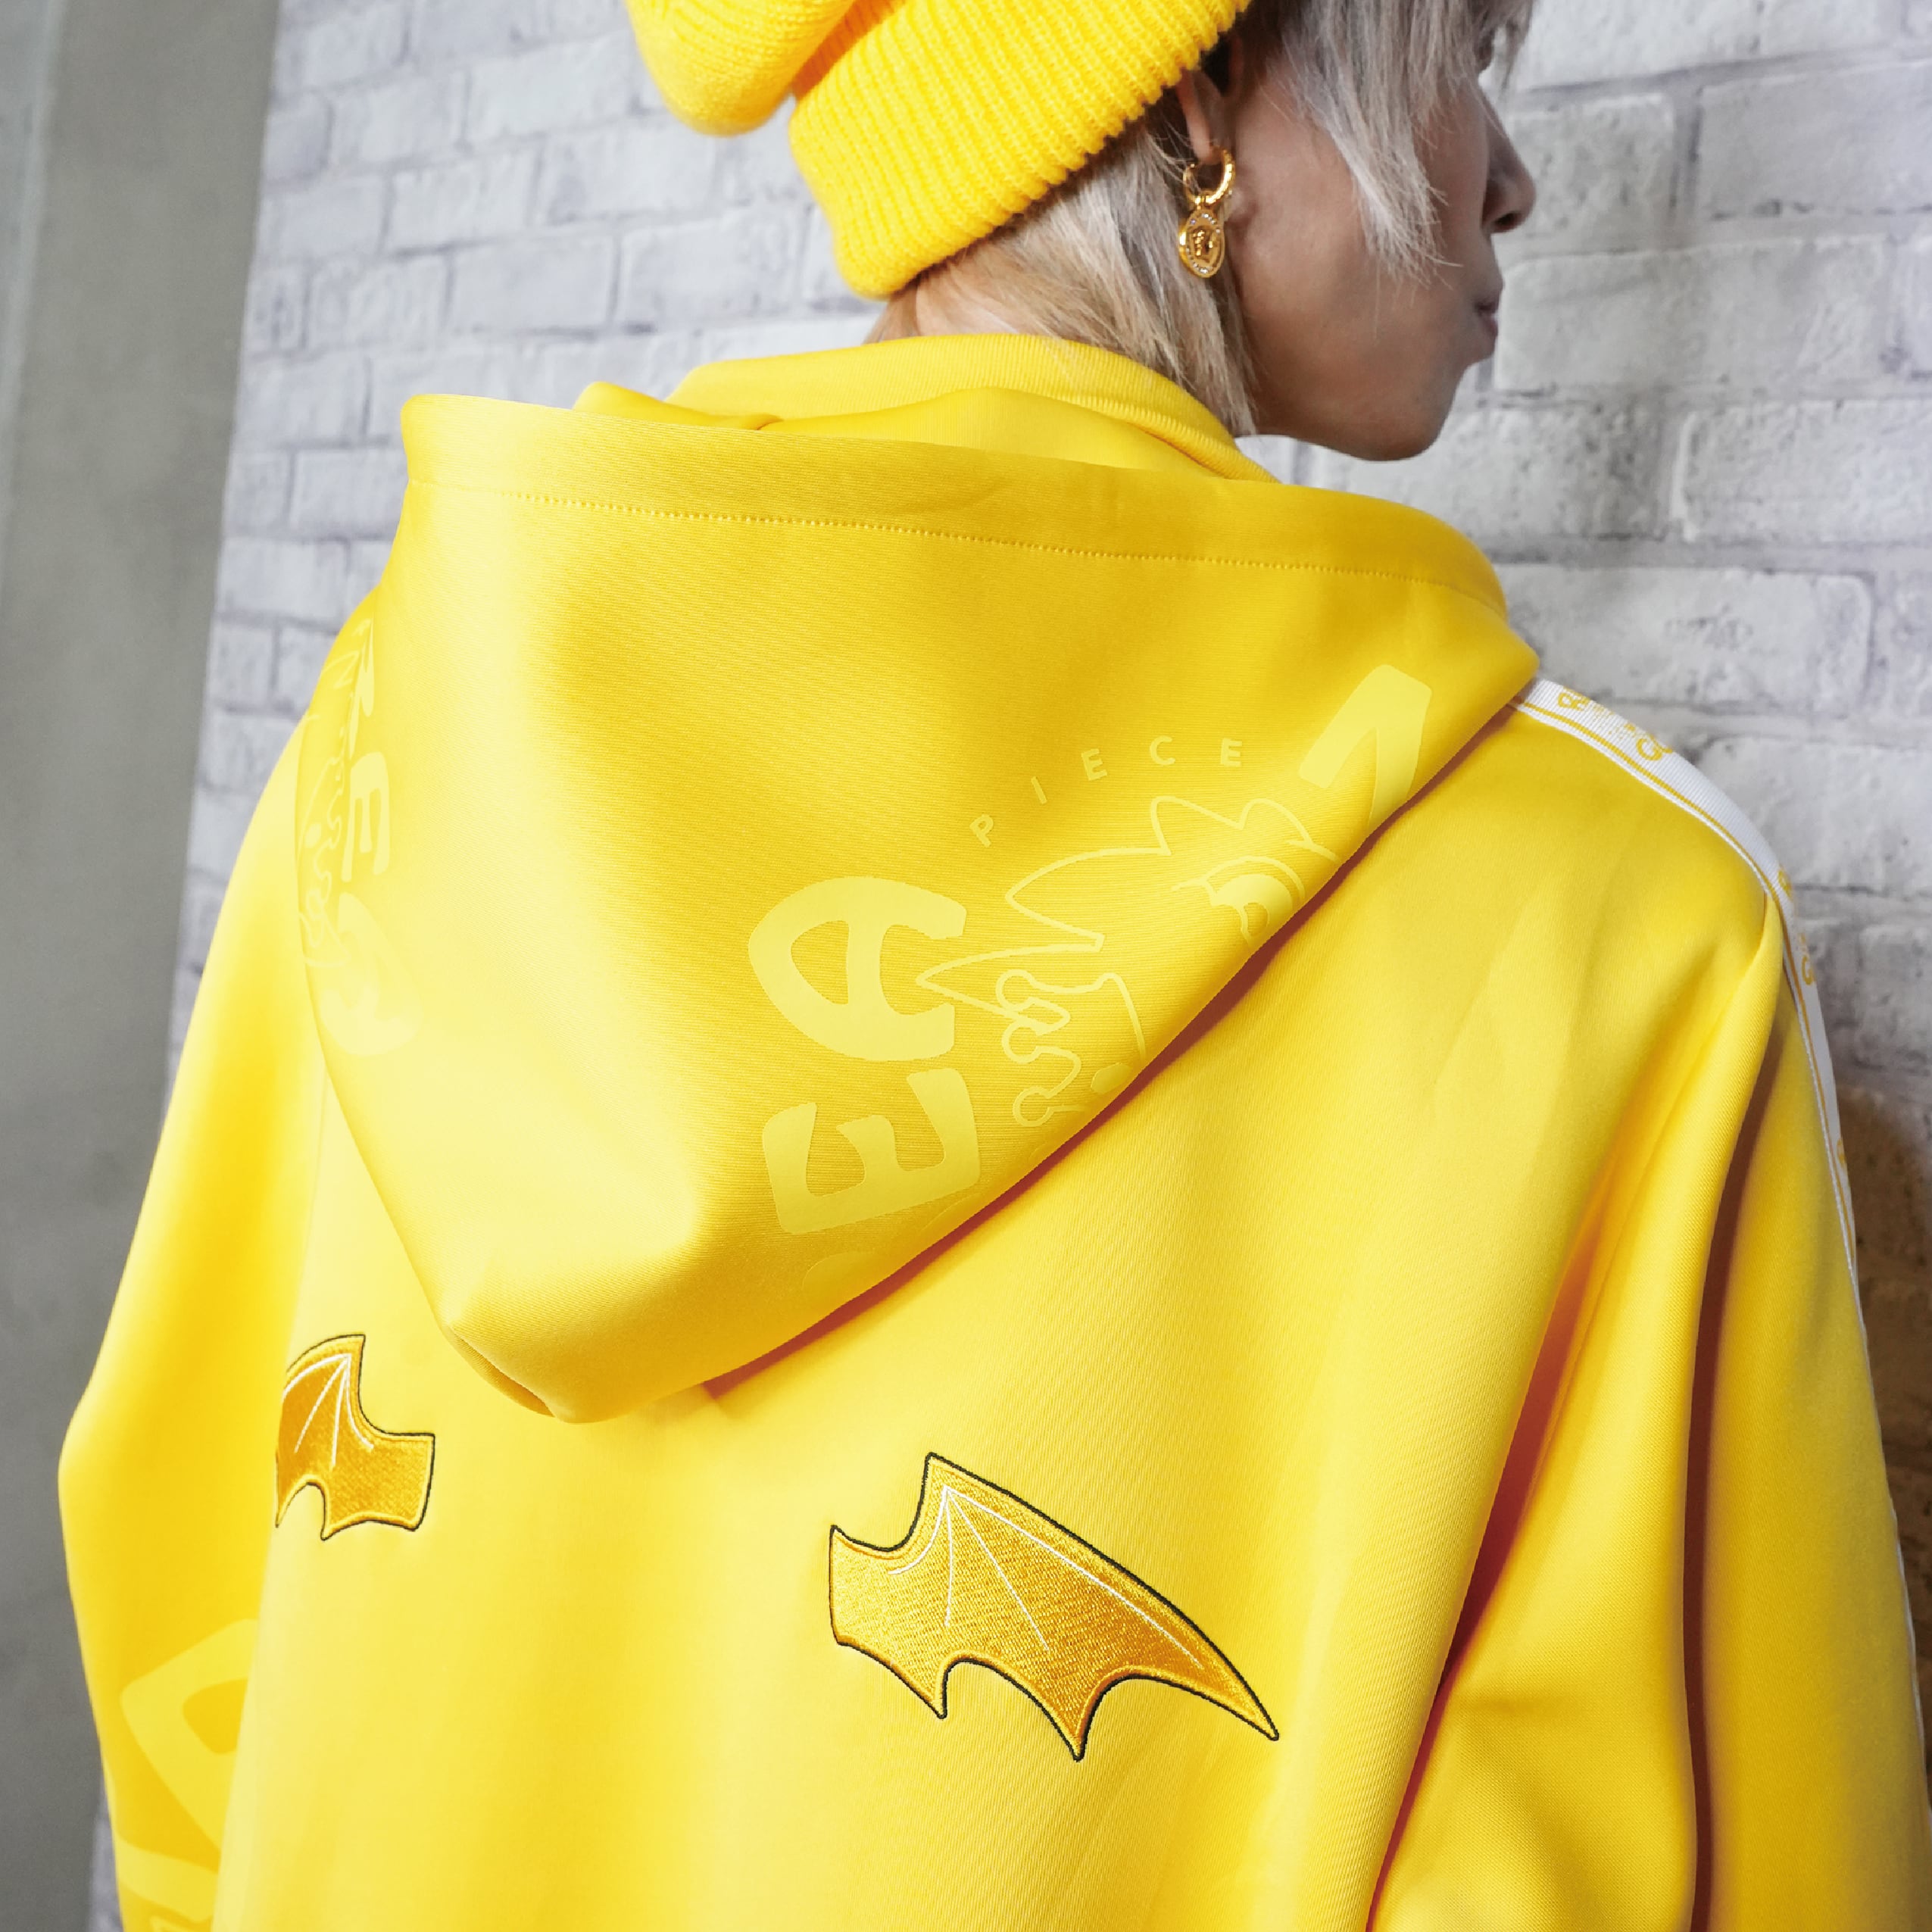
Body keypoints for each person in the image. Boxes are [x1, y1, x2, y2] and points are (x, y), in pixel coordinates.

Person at [62, 0, 1932, 1925]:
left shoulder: (394, 745)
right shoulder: (1621, 932)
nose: (1510, 178)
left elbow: (183, 1581)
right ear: (1198, 98)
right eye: (1458, 56)